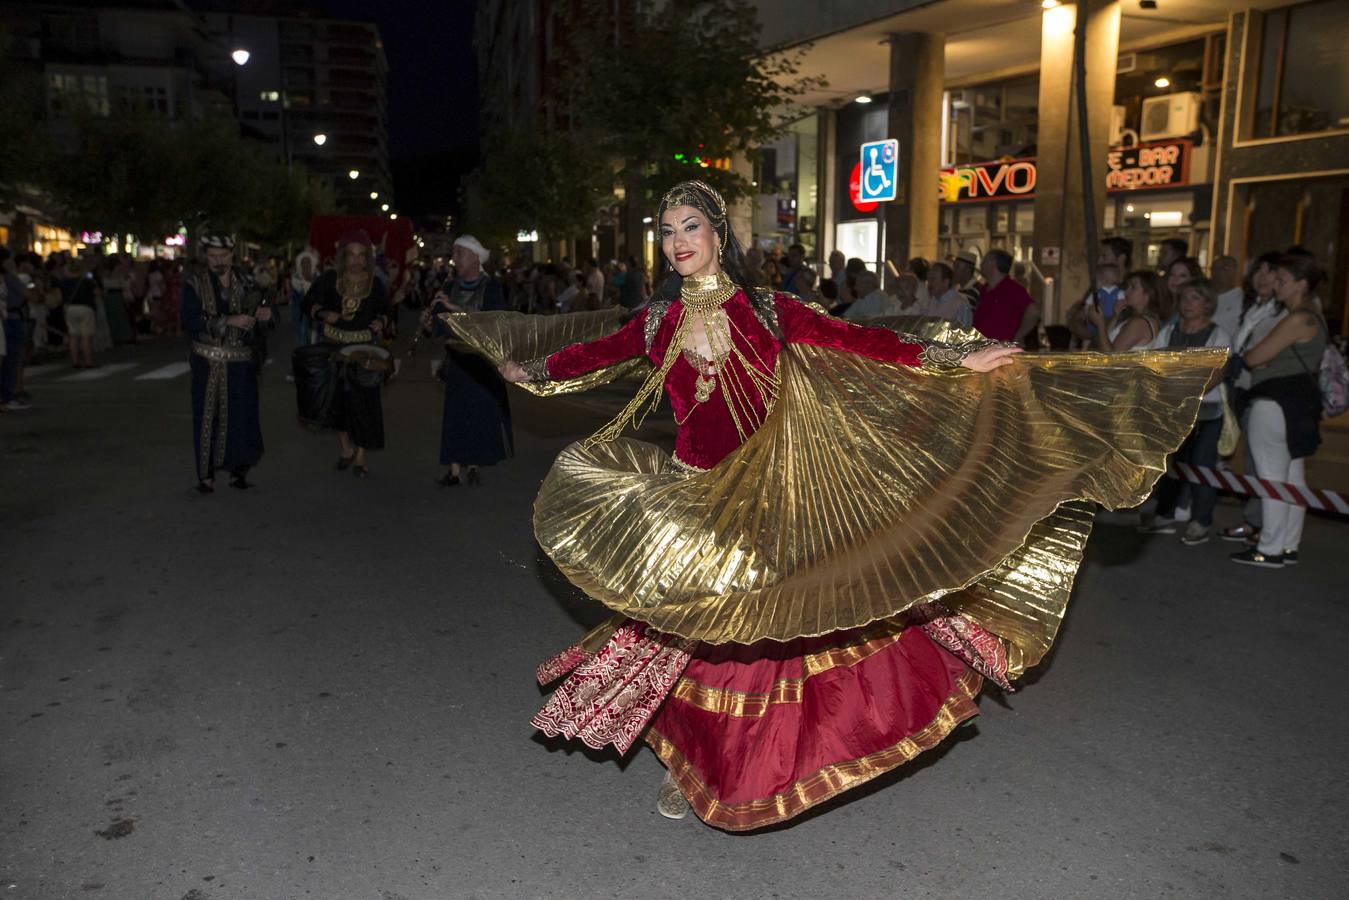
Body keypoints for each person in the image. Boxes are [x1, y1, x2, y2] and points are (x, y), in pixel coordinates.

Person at [479, 179, 1219, 831]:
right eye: (667, 232)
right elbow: (589, 355)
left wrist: (957, 359)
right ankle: (696, 766)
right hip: (694, 496)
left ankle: (757, 768)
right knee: (692, 632)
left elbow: (863, 340)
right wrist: (527, 368)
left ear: (717, 237)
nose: (677, 243)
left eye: (690, 228)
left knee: (762, 634)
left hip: (769, 495)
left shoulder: (768, 311)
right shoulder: (656, 322)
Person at [1230, 253, 1328, 568]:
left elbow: (1253, 357)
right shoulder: (1314, 316)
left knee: (1272, 476)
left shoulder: (1298, 318)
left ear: (1301, 284)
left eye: (1283, 281)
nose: (1276, 285)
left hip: (1275, 402)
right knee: (1292, 476)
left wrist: (1261, 357)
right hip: (1299, 403)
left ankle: (1269, 548)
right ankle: (1287, 545)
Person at [1138, 280, 1232, 544]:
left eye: (1195, 299)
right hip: (1171, 410)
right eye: (1185, 298)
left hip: (1205, 411)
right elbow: (1155, 364)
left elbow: (1218, 372)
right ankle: (1165, 513)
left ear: (1207, 304)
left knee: (1203, 466)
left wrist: (1187, 393)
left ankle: (1201, 520)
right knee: (1169, 465)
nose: (1188, 304)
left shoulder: (1218, 335)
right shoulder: (1168, 333)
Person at [181, 234, 271, 493]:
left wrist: (266, 315)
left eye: (223, 255)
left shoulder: (248, 281)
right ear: (205, 256)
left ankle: (238, 471)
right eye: (212, 256)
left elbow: (266, 312)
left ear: (233, 254)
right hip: (207, 361)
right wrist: (228, 321)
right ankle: (205, 476)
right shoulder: (194, 283)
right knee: (207, 416)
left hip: (240, 362)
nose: (218, 261)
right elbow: (190, 318)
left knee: (241, 417)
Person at [422, 235, 513, 487]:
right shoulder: (450, 286)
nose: (454, 259)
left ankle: (472, 465)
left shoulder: (491, 286)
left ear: (474, 257)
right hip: (456, 359)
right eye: (454, 253)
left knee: (477, 413)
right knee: (455, 414)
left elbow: (493, 321)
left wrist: (453, 307)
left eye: (459, 253)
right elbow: (440, 325)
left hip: (481, 360)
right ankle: (454, 470)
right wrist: (430, 323)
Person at [304, 231, 392, 477]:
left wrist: (380, 322)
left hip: (364, 350)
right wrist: (323, 313)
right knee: (338, 403)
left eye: (361, 255)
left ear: (367, 258)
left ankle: (360, 456)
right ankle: (345, 448)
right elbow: (307, 303)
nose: (355, 260)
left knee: (364, 404)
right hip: (334, 347)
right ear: (343, 257)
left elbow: (387, 310)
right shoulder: (329, 279)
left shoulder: (376, 283)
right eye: (351, 255)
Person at [1220, 251, 1285, 544]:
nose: (1262, 276)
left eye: (1270, 271)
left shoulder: (1282, 312)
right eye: (1258, 270)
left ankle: (1260, 524)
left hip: (1265, 390)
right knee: (1252, 461)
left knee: (1263, 463)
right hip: (1242, 387)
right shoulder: (1255, 307)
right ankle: (1257, 521)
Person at [1087, 270, 1166, 352]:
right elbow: (1105, 340)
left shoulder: (1139, 323)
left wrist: (1100, 323)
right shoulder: (1137, 319)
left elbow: (1111, 356)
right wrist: (1115, 315)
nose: (1126, 292)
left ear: (1148, 294)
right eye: (1127, 287)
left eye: (1133, 288)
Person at [972, 249, 1038, 343]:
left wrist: (1017, 337)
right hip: (982, 348)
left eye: (984, 261)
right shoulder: (984, 289)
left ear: (992, 263)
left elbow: (1033, 312)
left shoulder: (1013, 289)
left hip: (1002, 350)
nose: (980, 265)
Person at [1, 249, 31, 411]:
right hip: (12, 319)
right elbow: (28, 294)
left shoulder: (9, 277)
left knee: (10, 358)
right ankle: (8, 395)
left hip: (10, 318)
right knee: (12, 358)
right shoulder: (10, 277)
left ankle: (10, 393)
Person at [61, 257, 98, 368]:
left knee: (73, 335)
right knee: (86, 336)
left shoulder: (64, 282)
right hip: (85, 307)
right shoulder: (86, 281)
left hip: (70, 308)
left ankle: (75, 361)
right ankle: (88, 361)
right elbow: (96, 292)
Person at [917, 261, 973, 327]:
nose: (929, 283)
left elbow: (965, 332)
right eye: (928, 279)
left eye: (933, 279)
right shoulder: (930, 301)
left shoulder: (960, 304)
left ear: (946, 282)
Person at [1210, 255, 1242, 339]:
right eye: (1214, 268)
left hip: (1225, 349)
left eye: (1225, 267)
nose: (1219, 271)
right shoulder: (1203, 296)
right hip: (1198, 346)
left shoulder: (1243, 298)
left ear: (1235, 271)